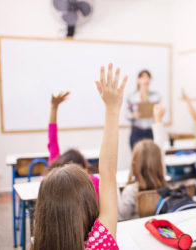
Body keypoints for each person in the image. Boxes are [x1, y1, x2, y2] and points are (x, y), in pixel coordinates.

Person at [34, 63, 128, 250]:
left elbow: (52, 140)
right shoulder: (99, 244)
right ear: (89, 206)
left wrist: (53, 108)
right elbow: (107, 172)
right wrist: (112, 108)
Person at [48, 92, 100, 201]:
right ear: (84, 170)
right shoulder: (93, 182)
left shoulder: (53, 179)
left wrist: (54, 107)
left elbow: (52, 140)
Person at [127, 70, 161, 149]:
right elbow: (127, 114)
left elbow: (161, 112)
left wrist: (158, 114)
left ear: (150, 80)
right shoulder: (132, 97)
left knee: (151, 157)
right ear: (138, 80)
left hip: (151, 131)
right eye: (143, 77)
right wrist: (133, 116)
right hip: (137, 131)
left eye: (147, 77)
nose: (145, 80)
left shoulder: (156, 96)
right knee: (138, 157)